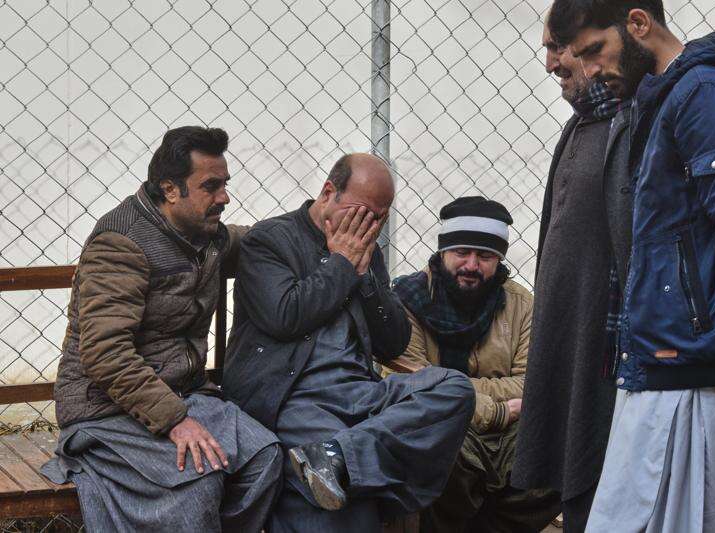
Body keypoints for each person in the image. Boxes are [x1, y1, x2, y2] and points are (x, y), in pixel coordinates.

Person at [547, 1, 715, 530]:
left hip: (694, 369)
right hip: (669, 358)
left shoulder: (701, 94)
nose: (590, 69)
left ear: (638, 24)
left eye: (595, 50)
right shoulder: (667, 97)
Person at [41, 126, 283, 532]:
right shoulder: (121, 244)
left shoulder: (204, 234)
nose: (224, 197)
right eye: (211, 186)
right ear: (170, 190)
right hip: (105, 411)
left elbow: (257, 241)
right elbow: (106, 354)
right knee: (198, 482)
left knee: (265, 458)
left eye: (225, 184)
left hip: (185, 396)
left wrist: (315, 223)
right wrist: (175, 421)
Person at [222, 153, 475, 532]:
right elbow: (285, 316)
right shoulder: (270, 240)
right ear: (328, 193)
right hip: (293, 396)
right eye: (361, 213)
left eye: (379, 218)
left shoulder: (367, 249)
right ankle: (345, 468)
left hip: (359, 392)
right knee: (350, 507)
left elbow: (393, 343)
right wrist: (340, 264)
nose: (369, 226)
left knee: (453, 388)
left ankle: (338, 457)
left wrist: (366, 275)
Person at [510, 14, 630, 532]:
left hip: (612, 355)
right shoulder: (583, 125)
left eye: (560, 46)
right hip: (571, 339)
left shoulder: (634, 125)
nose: (550, 62)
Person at [391, 196, 561, 532]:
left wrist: (447, 385)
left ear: (499, 259)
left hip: (511, 429)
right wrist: (497, 408)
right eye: (461, 252)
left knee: (559, 448)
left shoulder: (521, 304)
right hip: (445, 423)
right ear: (443, 252)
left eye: (484, 256)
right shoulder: (407, 301)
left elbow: (531, 384)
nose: (471, 265)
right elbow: (412, 386)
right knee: (436, 448)